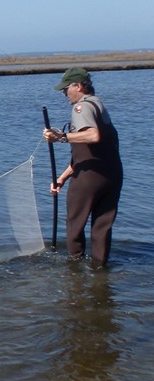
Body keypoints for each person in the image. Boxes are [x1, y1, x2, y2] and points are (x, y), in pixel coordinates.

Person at [43, 68, 122, 267]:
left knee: (74, 224)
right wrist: (62, 178)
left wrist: (61, 137)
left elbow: (92, 136)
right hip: (112, 176)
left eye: (66, 89)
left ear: (78, 86)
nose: (64, 93)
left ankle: (74, 270)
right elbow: (86, 153)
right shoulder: (98, 104)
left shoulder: (82, 107)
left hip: (89, 178)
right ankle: (99, 271)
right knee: (102, 227)